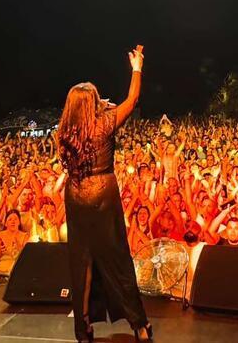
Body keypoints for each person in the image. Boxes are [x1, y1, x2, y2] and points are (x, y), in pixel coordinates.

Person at [57, 46, 151, 343]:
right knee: (118, 259)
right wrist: (137, 67)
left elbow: (88, 114)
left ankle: (82, 329)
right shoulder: (105, 123)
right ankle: (140, 325)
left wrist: (99, 105)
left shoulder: (64, 130)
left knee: (81, 262)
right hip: (103, 195)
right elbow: (132, 100)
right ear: (93, 103)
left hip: (76, 195)